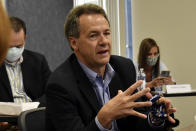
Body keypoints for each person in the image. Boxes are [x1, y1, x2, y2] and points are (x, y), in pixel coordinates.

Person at [46, 4, 177, 131]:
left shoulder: (124, 68)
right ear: (74, 43)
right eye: (93, 35)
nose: (104, 41)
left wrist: (154, 118)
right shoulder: (60, 85)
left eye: (107, 33)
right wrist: (103, 119)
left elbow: (136, 122)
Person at [0, 17, 51, 130]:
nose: (14, 51)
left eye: (18, 46)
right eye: (9, 46)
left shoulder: (38, 61)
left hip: (34, 119)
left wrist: (32, 107)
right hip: (5, 124)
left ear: (25, 39)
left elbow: (51, 92)